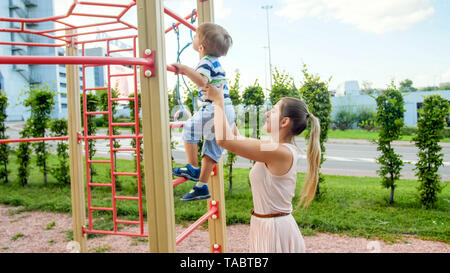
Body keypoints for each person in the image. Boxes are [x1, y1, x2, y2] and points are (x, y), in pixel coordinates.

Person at [204, 84, 321, 253]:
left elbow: (224, 140)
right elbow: (235, 137)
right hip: (265, 225)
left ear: (284, 121)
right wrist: (226, 102)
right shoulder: (272, 146)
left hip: (275, 230)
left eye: (273, 111)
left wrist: (218, 101)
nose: (267, 113)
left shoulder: (279, 152)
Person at [171, 23, 235, 201]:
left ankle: (192, 166)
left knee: (189, 129)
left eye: (195, 36)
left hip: (214, 107)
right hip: (226, 109)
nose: (193, 39)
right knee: (211, 150)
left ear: (201, 47)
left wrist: (184, 69)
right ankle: (201, 186)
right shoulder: (217, 63)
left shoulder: (205, 62)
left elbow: (202, 81)